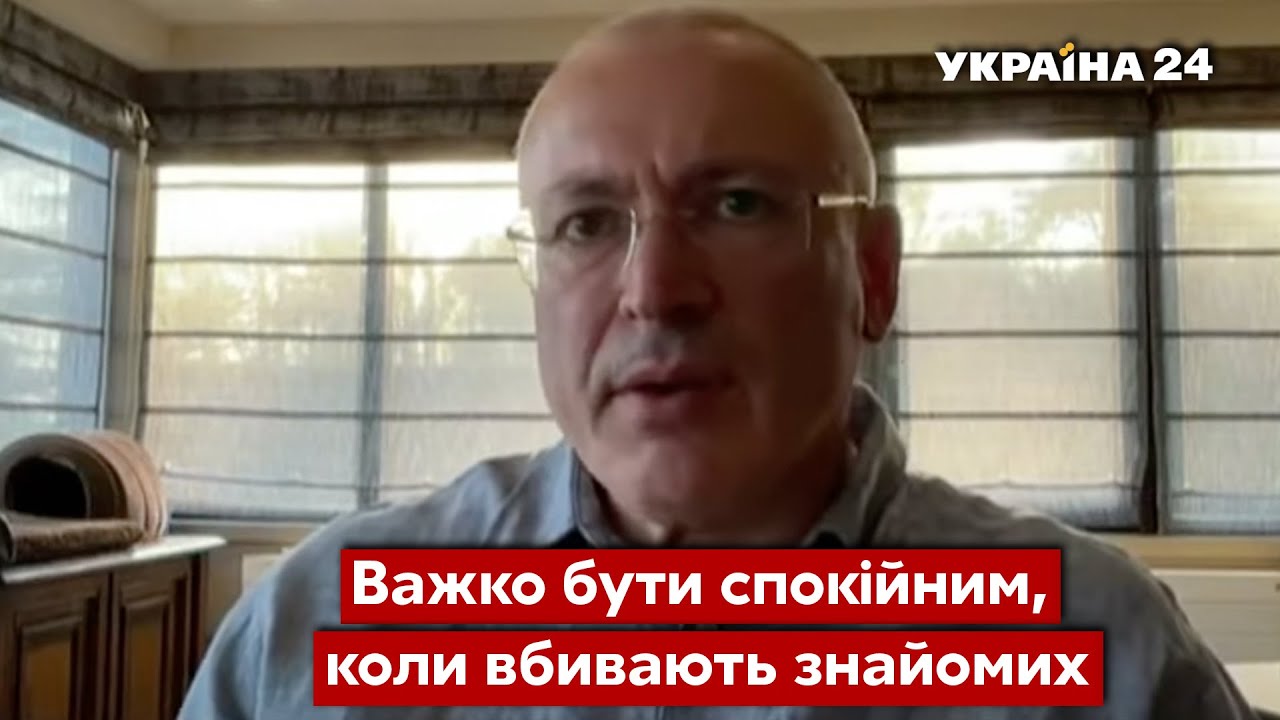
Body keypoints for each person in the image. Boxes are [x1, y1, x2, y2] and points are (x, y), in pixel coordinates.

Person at [178, 7, 1259, 719]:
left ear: (873, 274)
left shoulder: (1097, 647)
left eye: (737, 205)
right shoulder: (319, 623)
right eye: (586, 223)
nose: (655, 290)